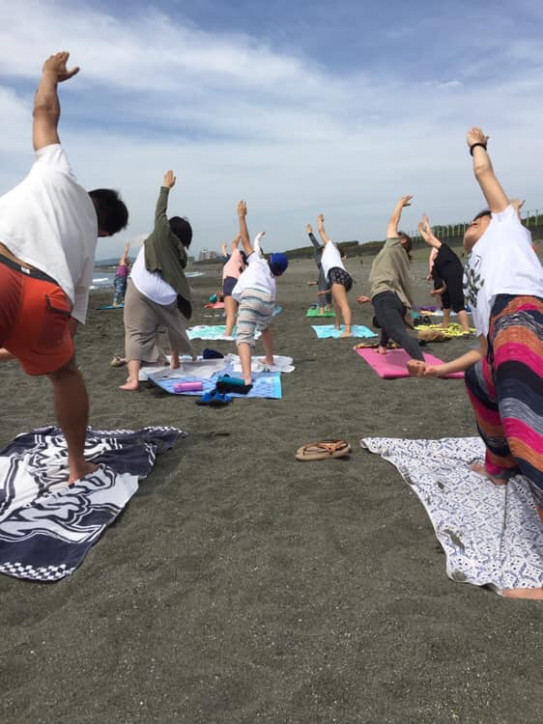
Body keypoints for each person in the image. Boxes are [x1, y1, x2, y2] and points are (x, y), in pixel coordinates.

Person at [408, 129, 543, 598]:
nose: (472, 222)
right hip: (503, 327)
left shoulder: (508, 227)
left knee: (530, 430)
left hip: (524, 316)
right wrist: (437, 369)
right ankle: (500, 464)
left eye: (477, 219)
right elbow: (483, 349)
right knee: (480, 379)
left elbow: (484, 173)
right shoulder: (475, 273)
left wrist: (476, 144)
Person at [0, 52, 128, 484]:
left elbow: (44, 113)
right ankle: (77, 464)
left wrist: (48, 75)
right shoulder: (86, 255)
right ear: (104, 232)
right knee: (66, 372)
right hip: (45, 295)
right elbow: (63, 338)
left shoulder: (58, 171)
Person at [121, 170, 195, 391]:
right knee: (173, 328)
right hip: (167, 296)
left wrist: (165, 188)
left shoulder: (162, 234)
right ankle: (175, 361)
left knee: (136, 331)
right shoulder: (181, 255)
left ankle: (133, 379)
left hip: (142, 286)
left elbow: (160, 213)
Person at [358, 196, 424, 360]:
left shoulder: (393, 246)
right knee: (388, 323)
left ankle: (422, 363)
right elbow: (392, 281)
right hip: (391, 298)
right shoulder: (401, 257)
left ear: (401, 240)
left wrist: (400, 204)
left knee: (398, 333)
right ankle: (382, 346)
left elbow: (392, 222)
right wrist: (371, 297)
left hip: (386, 298)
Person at [232, 201, 288, 389]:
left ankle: (246, 377)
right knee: (265, 327)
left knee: (244, 335)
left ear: (269, 258)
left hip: (251, 294)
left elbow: (246, 240)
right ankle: (270, 358)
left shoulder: (258, 260)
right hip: (267, 299)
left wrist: (241, 216)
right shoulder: (272, 279)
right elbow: (271, 299)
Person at [418, 215, 471, 333]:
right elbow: (443, 287)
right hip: (447, 278)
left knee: (458, 304)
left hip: (455, 276)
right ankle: (445, 323)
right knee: (446, 302)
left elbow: (430, 238)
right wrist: (426, 223)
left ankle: (466, 329)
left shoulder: (445, 250)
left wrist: (422, 229)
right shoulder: (437, 264)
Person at [316, 214, 353, 335]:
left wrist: (320, 221)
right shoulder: (332, 254)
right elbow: (335, 285)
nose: (322, 249)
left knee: (342, 303)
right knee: (337, 302)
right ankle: (337, 325)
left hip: (337, 273)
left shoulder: (331, 246)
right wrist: (325, 292)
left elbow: (321, 231)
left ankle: (348, 330)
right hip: (340, 276)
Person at [221, 234, 247, 337]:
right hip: (237, 286)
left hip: (230, 283)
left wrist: (241, 232)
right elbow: (225, 255)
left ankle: (227, 334)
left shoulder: (236, 257)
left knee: (230, 313)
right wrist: (223, 248)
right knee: (232, 312)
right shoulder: (244, 266)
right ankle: (234, 329)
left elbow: (234, 243)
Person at [306, 223, 332, 314]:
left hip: (326, 269)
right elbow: (316, 244)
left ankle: (324, 306)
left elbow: (315, 242)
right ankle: (326, 306)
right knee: (326, 286)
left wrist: (310, 233)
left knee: (325, 287)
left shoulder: (327, 256)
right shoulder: (320, 252)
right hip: (325, 270)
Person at [112, 242, 131, 307]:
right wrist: (126, 249)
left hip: (124, 279)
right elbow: (124, 254)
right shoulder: (122, 263)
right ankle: (115, 302)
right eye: (128, 259)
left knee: (124, 291)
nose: (129, 259)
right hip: (119, 278)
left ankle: (123, 302)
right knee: (119, 290)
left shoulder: (128, 267)